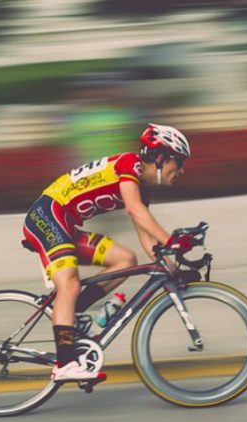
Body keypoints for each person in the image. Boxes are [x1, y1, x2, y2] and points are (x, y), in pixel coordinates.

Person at [22, 123, 194, 383]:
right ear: (160, 157)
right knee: (69, 282)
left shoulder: (141, 187)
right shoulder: (130, 165)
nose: (181, 171)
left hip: (65, 226)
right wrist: (172, 239)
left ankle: (73, 312)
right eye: (178, 162)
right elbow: (135, 211)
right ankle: (65, 364)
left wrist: (171, 267)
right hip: (47, 215)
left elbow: (145, 235)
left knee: (126, 259)